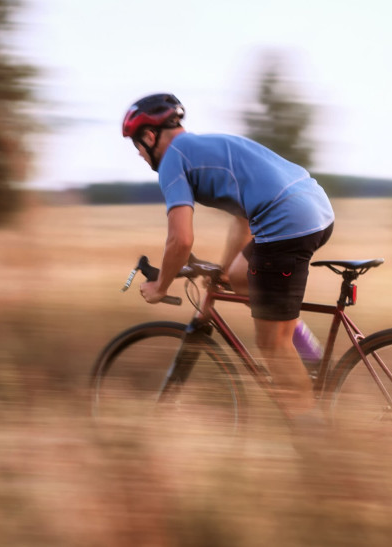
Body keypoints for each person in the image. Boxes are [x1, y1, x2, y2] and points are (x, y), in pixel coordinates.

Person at [124, 93, 334, 424]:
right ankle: (309, 352)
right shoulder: (207, 147)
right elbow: (244, 220)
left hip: (288, 223)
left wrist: (161, 286)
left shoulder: (171, 163)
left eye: (136, 144)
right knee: (238, 276)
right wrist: (222, 268)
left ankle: (317, 440)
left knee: (272, 346)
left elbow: (180, 239)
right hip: (316, 209)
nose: (138, 153)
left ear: (150, 137)